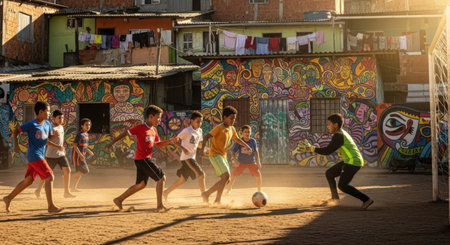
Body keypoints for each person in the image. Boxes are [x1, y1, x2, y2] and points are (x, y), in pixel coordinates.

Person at [105, 105, 176, 212]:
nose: (159, 120)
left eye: (160, 118)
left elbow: (157, 144)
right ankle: (160, 206)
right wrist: (111, 143)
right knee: (161, 178)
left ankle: (119, 199)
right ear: (150, 117)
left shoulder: (154, 130)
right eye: (158, 118)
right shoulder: (140, 128)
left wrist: (170, 141)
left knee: (141, 184)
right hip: (142, 159)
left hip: (145, 159)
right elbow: (125, 133)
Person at [299, 113, 374, 210]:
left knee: (342, 186)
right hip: (350, 161)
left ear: (336, 125)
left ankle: (366, 200)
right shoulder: (340, 133)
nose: (328, 126)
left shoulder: (338, 135)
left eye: (329, 124)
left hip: (353, 162)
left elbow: (328, 151)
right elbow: (332, 149)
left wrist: (312, 149)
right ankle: (335, 198)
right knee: (329, 173)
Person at [3, 101, 64, 213]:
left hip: (39, 155)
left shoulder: (47, 125)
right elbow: (16, 131)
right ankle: (51, 206)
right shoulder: (31, 124)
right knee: (49, 177)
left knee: (29, 180)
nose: (49, 113)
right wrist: (16, 146)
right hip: (34, 155)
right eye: (48, 111)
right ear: (40, 112)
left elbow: (46, 141)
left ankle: (8, 198)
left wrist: (55, 141)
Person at [200, 106, 253, 204]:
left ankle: (206, 194)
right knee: (226, 176)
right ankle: (217, 200)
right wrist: (202, 150)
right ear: (224, 117)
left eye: (234, 118)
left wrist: (247, 146)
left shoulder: (232, 128)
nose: (233, 120)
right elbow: (207, 136)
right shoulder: (219, 128)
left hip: (222, 155)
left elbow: (237, 139)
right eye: (231, 118)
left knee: (226, 179)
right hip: (215, 155)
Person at [163, 111, 207, 203]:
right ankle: (205, 197)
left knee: (182, 180)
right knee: (201, 175)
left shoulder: (200, 131)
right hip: (187, 158)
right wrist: (184, 149)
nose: (199, 124)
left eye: (201, 122)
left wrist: (207, 149)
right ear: (191, 121)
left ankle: (166, 192)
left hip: (192, 158)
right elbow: (176, 140)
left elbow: (198, 144)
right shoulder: (187, 131)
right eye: (197, 121)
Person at [35, 109, 75, 198]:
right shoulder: (50, 128)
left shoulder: (61, 127)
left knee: (67, 171)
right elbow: (46, 141)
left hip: (61, 154)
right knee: (46, 175)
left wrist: (62, 148)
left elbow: (60, 140)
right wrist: (56, 140)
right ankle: (38, 189)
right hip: (51, 156)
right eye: (59, 118)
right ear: (53, 118)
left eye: (62, 118)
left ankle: (66, 192)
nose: (61, 120)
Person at [227, 125, 262, 194]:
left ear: (251, 133)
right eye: (245, 132)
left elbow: (256, 152)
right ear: (242, 133)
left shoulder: (253, 141)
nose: (247, 134)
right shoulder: (239, 141)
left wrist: (258, 161)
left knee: (258, 175)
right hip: (241, 162)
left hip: (251, 162)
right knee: (233, 175)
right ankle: (229, 189)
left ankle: (259, 190)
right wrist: (235, 161)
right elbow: (233, 151)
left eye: (248, 132)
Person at [71, 118, 94, 192]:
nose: (88, 126)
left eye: (89, 125)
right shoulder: (79, 134)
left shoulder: (86, 134)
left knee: (79, 173)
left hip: (82, 156)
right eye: (86, 125)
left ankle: (73, 188)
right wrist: (80, 155)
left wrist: (89, 151)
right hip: (78, 157)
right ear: (82, 126)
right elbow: (75, 145)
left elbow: (84, 146)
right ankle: (67, 177)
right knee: (85, 170)